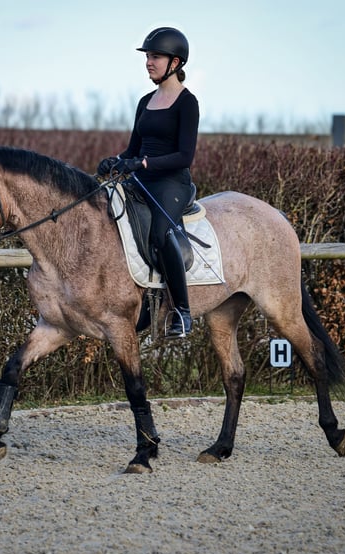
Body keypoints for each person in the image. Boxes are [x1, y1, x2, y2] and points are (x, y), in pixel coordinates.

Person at [97, 27, 200, 338]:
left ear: (175, 62)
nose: (149, 63)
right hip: (140, 183)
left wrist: (142, 163)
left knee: (160, 231)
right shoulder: (145, 101)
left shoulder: (187, 103)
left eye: (155, 57)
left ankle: (182, 312)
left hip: (172, 184)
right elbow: (132, 149)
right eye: (148, 57)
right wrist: (115, 161)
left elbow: (185, 156)